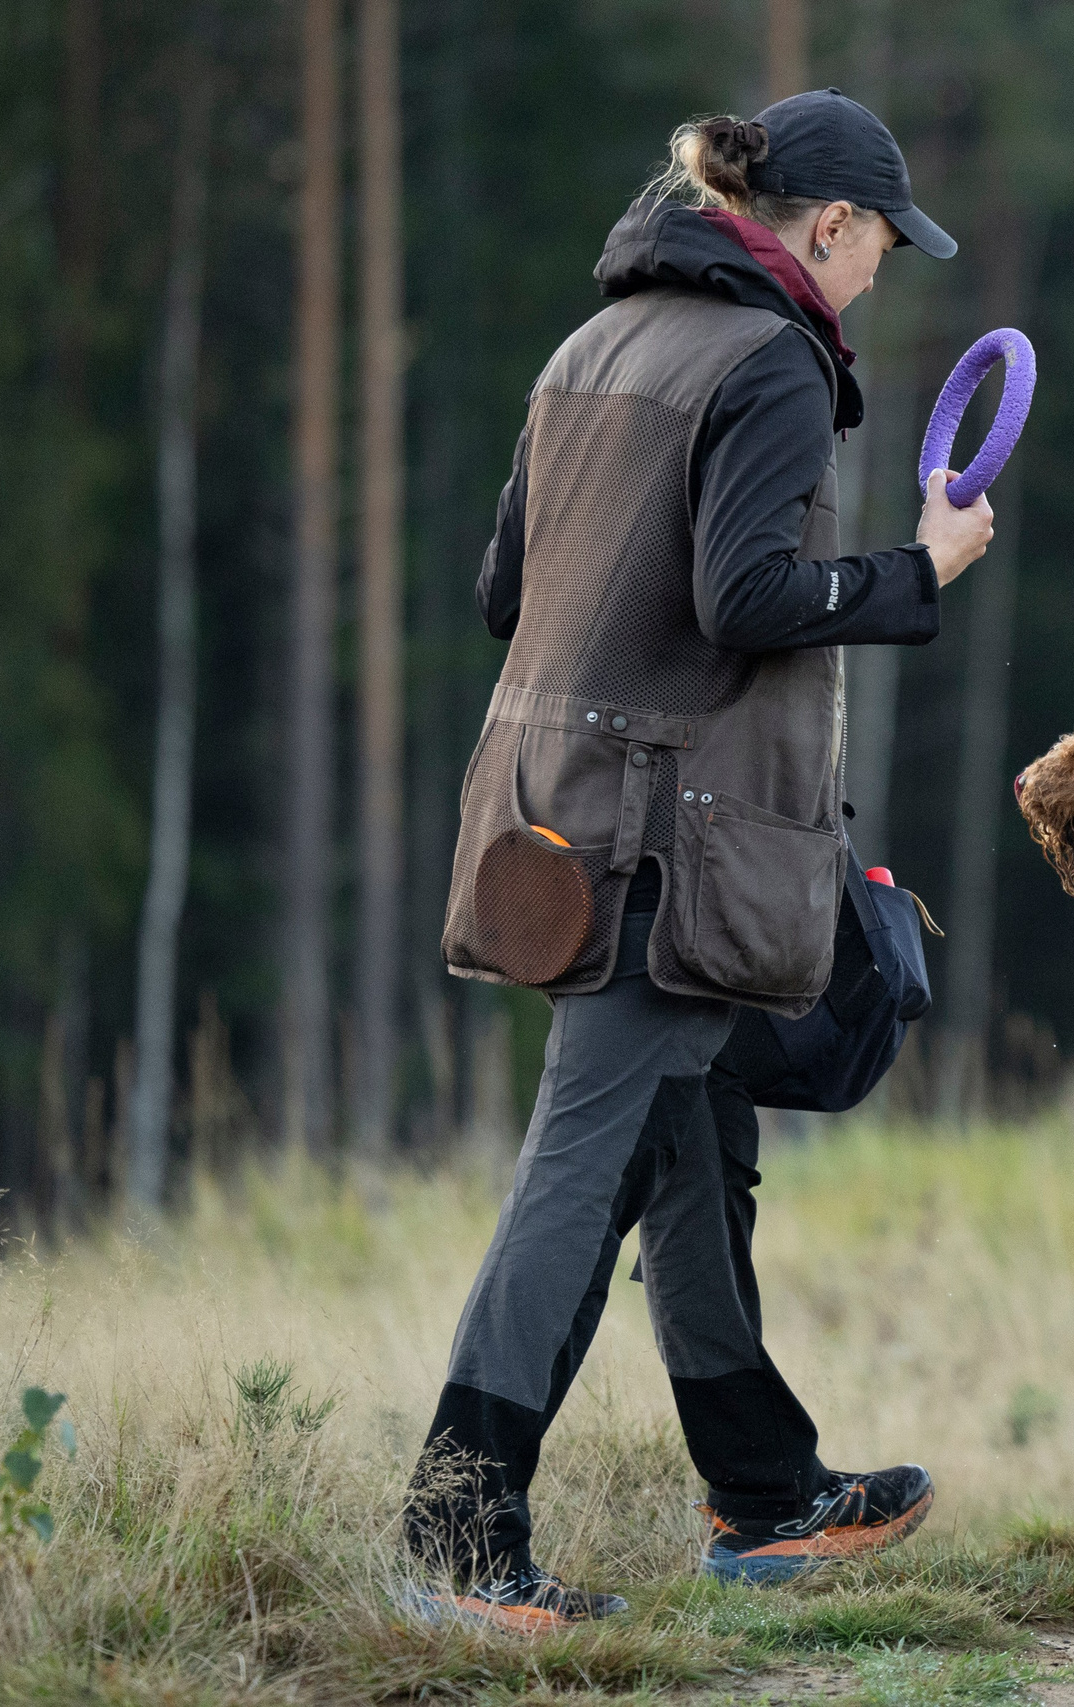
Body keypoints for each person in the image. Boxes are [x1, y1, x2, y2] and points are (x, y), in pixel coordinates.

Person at [404, 89, 995, 1633]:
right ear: (832, 227)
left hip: (547, 820)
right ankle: (455, 1547)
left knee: (698, 1135)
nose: (880, 280)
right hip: (669, 845)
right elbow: (747, 599)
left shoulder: (587, 350)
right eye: (882, 249)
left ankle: (764, 1490)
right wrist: (914, 568)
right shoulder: (772, 359)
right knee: (577, 1172)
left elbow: (496, 593)